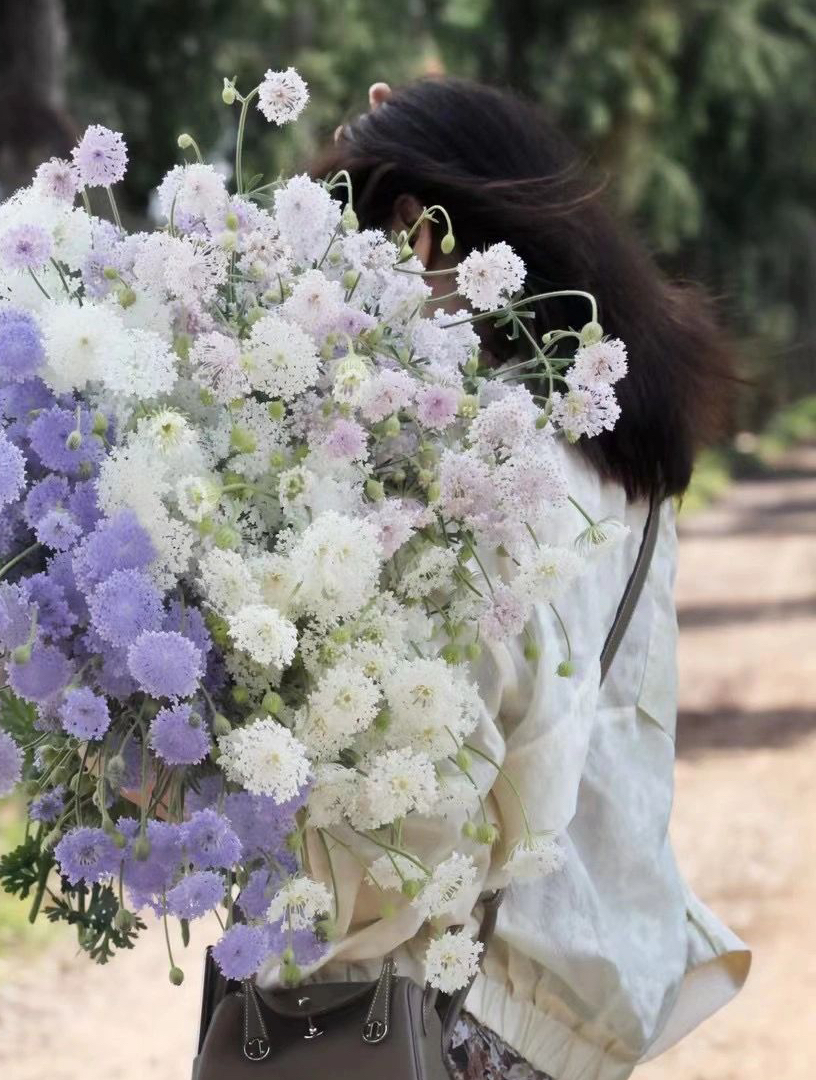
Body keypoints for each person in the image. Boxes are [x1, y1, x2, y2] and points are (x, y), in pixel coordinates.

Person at [291, 78, 751, 1080]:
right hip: (568, 1010)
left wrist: (298, 885)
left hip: (450, 1013)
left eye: (346, 247)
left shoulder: (479, 466)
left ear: (416, 235)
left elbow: (435, 780)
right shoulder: (610, 446)